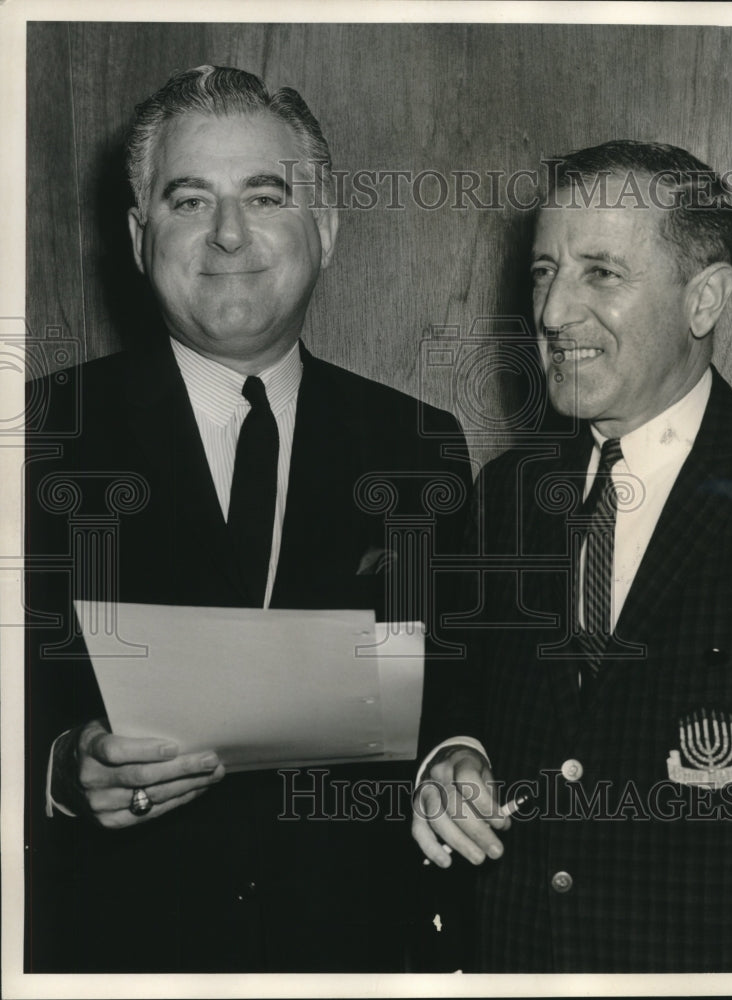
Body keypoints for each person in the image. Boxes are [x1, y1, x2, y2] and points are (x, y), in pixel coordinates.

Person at [25, 65, 469, 973]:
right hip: (109, 957)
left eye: (265, 195)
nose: (228, 234)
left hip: (356, 957)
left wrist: (455, 754)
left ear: (327, 227)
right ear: (141, 235)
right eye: (189, 201)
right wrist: (60, 771)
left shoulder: (418, 445)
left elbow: (457, 681)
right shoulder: (33, 439)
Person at [412, 140, 732, 972]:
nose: (550, 313)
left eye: (599, 274)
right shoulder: (504, 494)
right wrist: (453, 752)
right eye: (543, 272)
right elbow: (454, 685)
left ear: (704, 298)